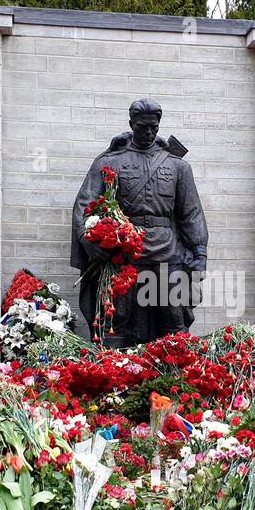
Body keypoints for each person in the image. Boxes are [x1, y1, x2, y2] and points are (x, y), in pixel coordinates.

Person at [69, 98, 209, 346]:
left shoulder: (177, 166)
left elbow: (191, 212)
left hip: (167, 250)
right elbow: (84, 203)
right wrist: (86, 239)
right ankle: (111, 376)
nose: (148, 132)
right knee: (115, 319)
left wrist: (200, 252)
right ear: (131, 124)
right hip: (123, 251)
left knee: (173, 316)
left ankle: (176, 377)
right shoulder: (109, 162)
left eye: (153, 127)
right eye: (142, 126)